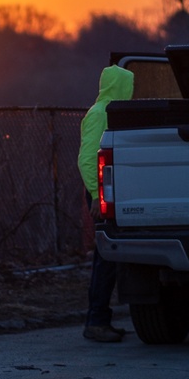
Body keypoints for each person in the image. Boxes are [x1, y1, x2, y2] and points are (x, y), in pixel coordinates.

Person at [77, 64, 135, 342]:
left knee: (108, 259)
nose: (132, 91)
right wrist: (97, 195)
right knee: (105, 259)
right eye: (129, 86)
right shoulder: (101, 113)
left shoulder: (108, 111)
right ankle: (96, 321)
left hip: (107, 192)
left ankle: (100, 320)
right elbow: (87, 158)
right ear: (120, 86)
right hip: (103, 193)